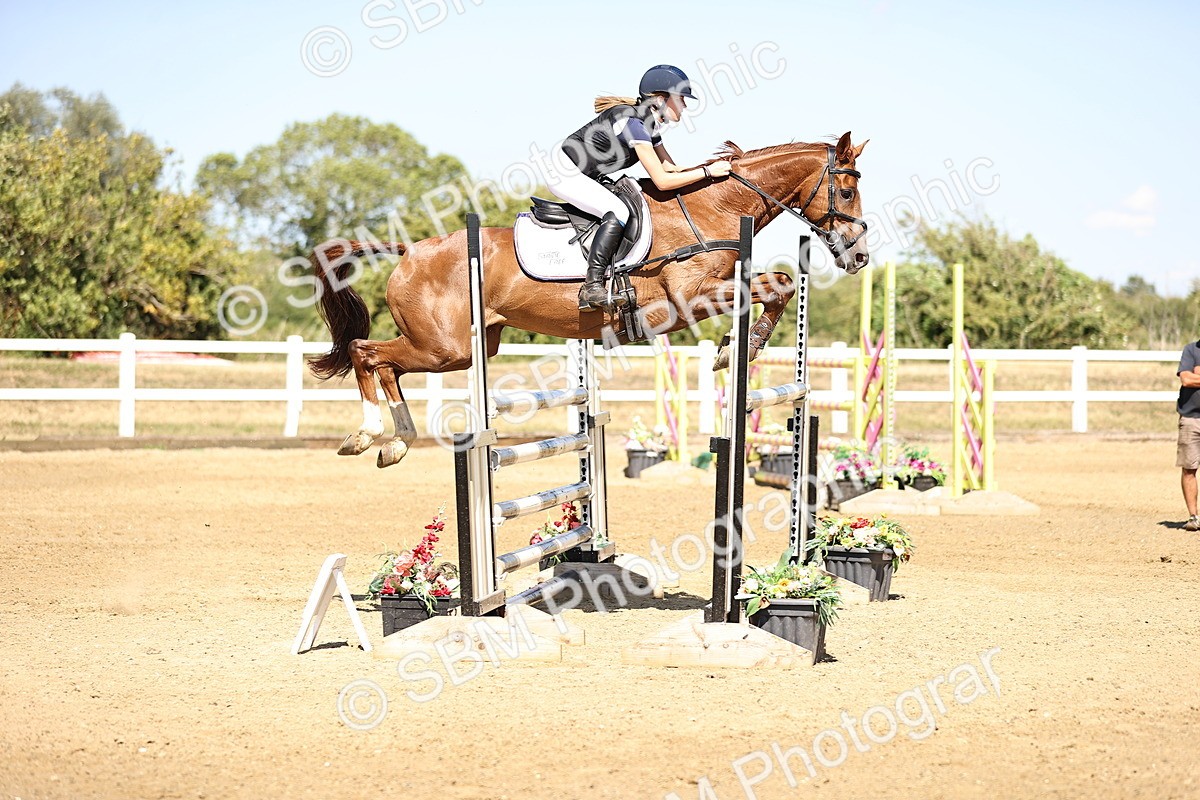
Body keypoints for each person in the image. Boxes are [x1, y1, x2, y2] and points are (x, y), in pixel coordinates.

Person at [550, 64, 733, 312]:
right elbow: (662, 181)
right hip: (564, 172)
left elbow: (670, 168)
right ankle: (591, 286)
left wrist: (710, 173)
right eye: (681, 99)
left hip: (587, 174)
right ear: (660, 99)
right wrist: (708, 172)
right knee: (619, 212)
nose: (686, 106)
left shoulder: (651, 125)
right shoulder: (633, 123)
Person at [1177, 338, 1200, 530]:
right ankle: (1194, 517)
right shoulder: (1191, 350)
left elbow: (1193, 379)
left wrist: (1197, 377)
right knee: (1188, 467)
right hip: (1191, 418)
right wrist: (1192, 377)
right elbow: (1186, 379)